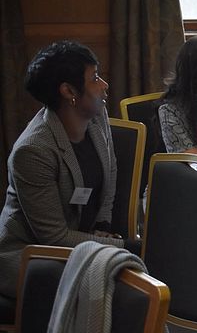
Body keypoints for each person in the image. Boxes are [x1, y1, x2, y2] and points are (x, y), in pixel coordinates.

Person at [0, 40, 133, 299]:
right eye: (95, 78)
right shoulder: (33, 151)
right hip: (31, 256)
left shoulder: (96, 114)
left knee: (129, 278)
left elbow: (110, 170)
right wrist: (124, 246)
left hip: (79, 242)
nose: (104, 85)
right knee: (118, 289)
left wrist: (103, 224)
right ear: (69, 91)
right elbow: (53, 237)